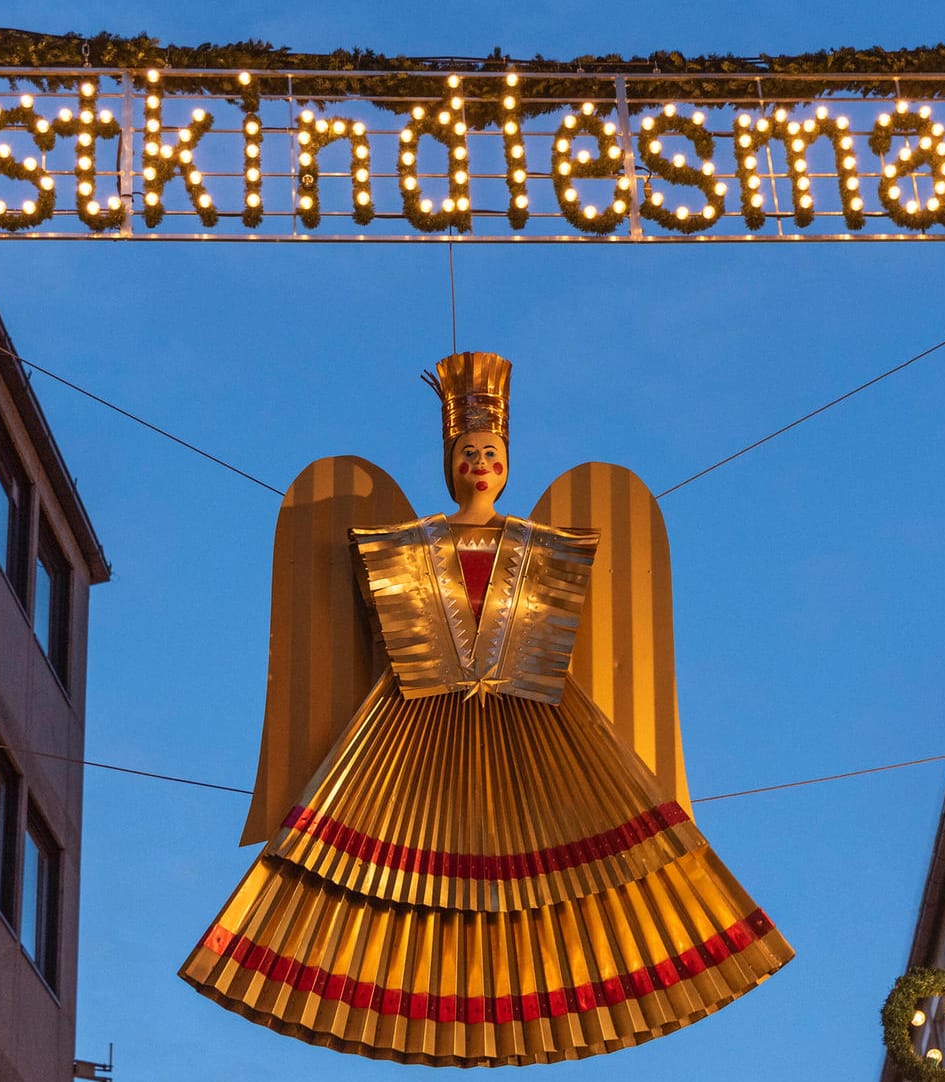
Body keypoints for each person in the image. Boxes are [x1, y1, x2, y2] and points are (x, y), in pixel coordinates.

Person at [180, 351, 791, 1066]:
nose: (480, 462)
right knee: (365, 868)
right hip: (411, 722)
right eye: (468, 451)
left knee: (586, 872)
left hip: (542, 722)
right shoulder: (409, 543)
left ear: (507, 462)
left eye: (491, 451)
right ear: (451, 461)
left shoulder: (545, 545)